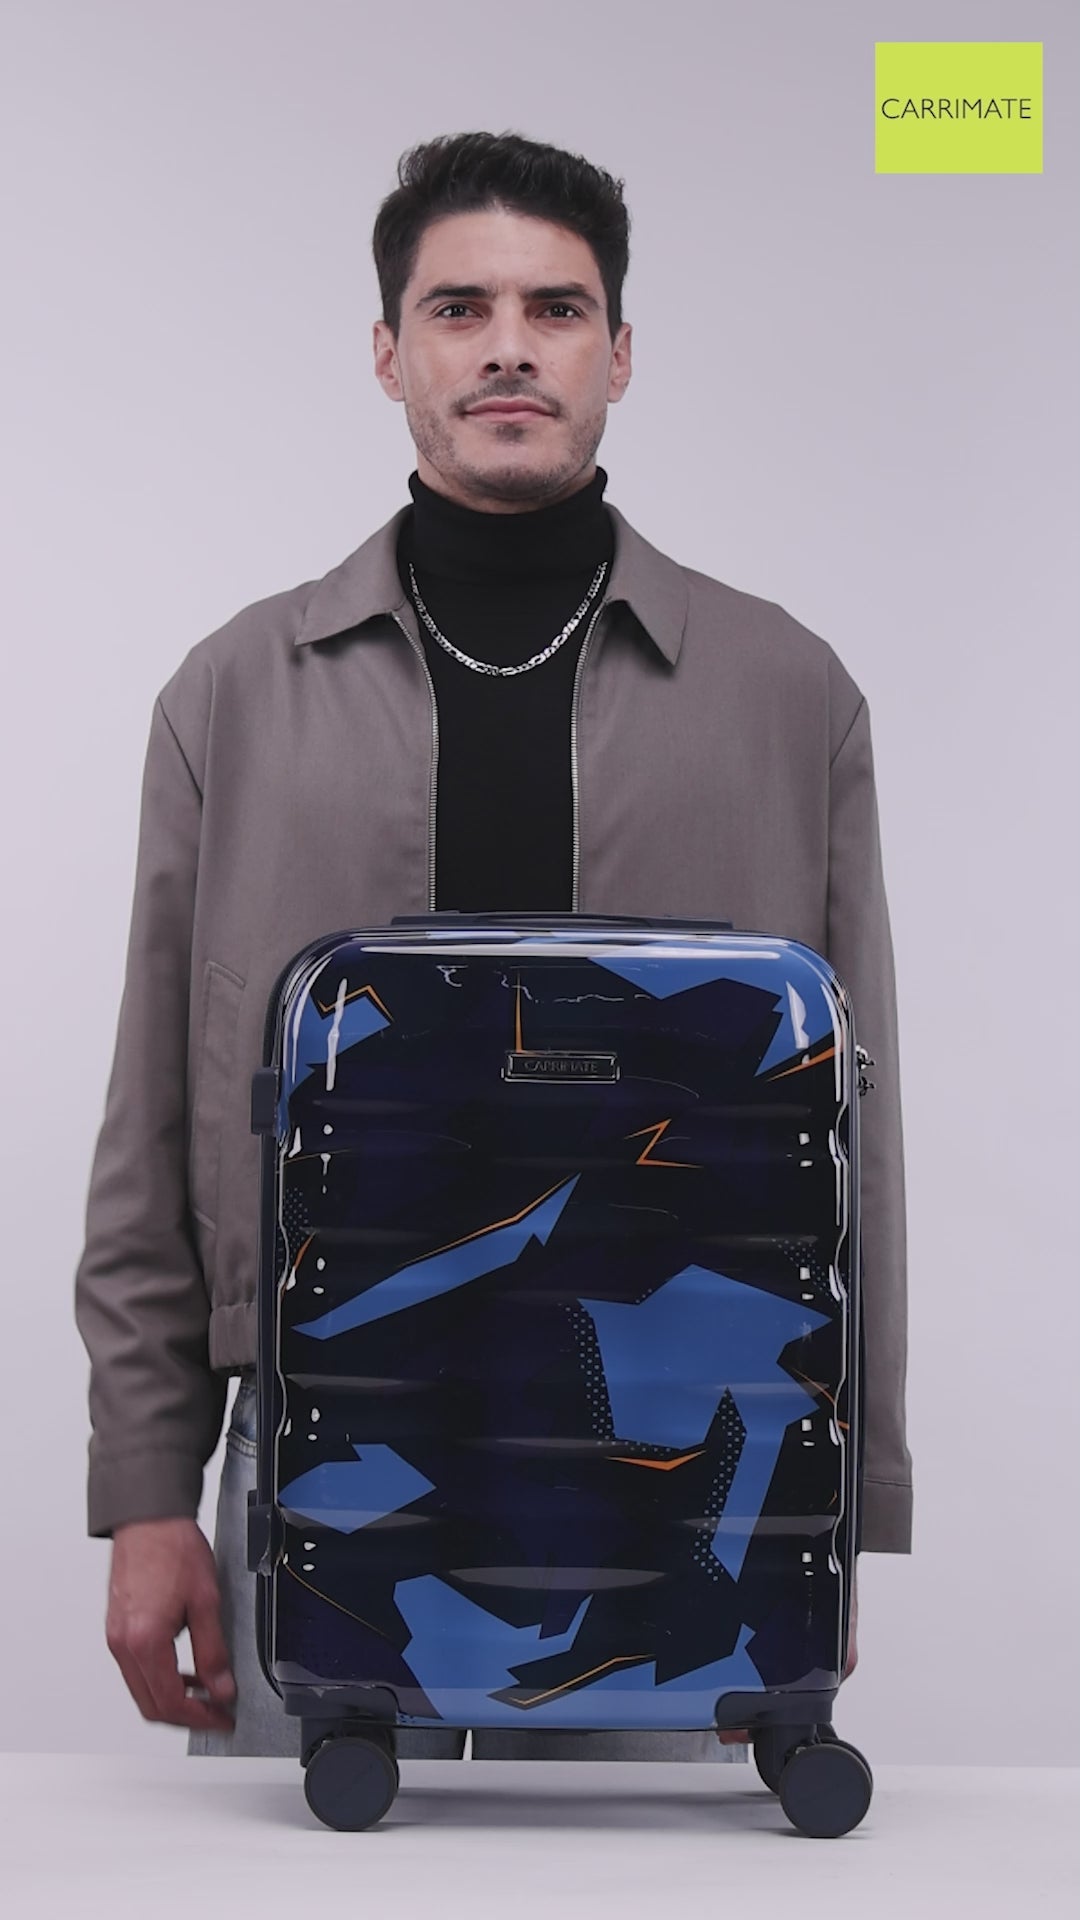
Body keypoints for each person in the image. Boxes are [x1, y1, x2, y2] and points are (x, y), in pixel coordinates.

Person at [75, 130, 910, 1767]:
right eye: (459, 307)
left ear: (620, 354)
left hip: (689, 1496)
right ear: (391, 353)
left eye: (556, 308)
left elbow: (851, 1142)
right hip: (323, 1458)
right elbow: (154, 1124)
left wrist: (837, 1507)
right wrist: (146, 1491)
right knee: (297, 1879)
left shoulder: (786, 694)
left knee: (624, 1882)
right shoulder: (234, 695)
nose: (509, 346)